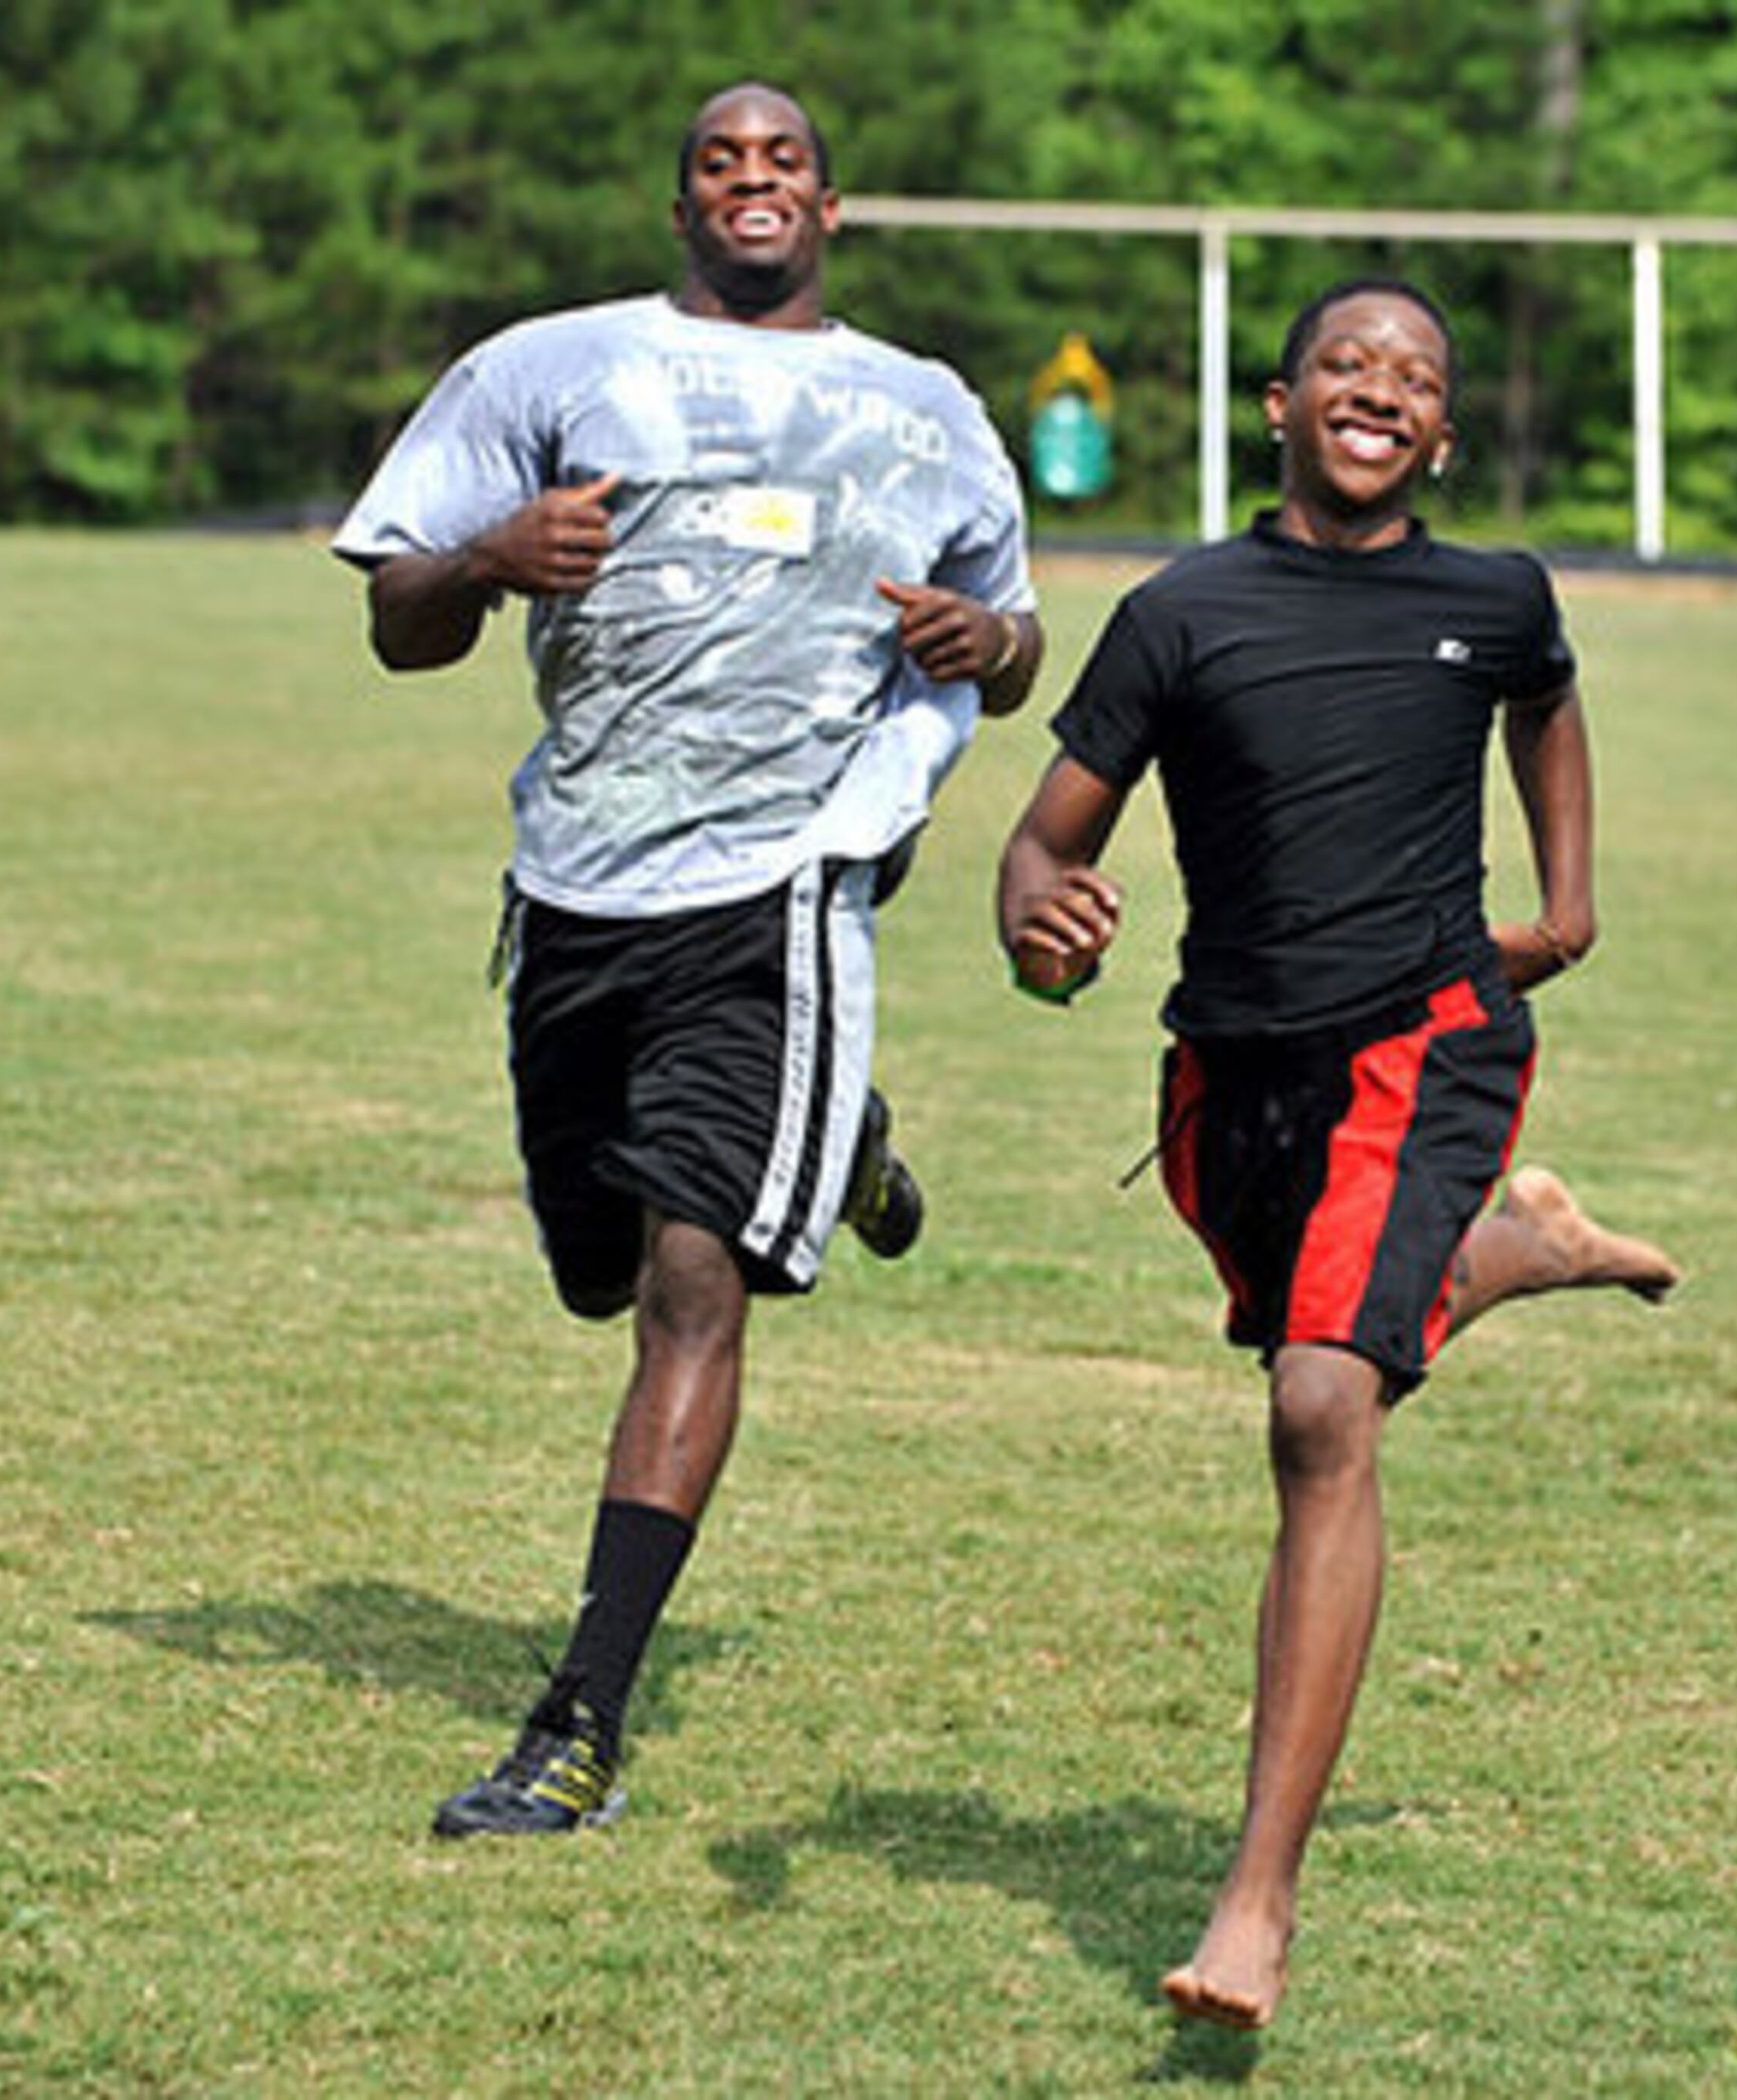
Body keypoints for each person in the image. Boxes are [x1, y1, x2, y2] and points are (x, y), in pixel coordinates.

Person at [332, 82, 1043, 1840]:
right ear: (680, 204)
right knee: (593, 1263)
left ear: (829, 202)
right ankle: (843, 1130)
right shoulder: (544, 368)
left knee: (687, 1280)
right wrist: (491, 559)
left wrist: (990, 638)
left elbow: (1012, 640)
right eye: (721, 161)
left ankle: (578, 1719)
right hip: (579, 881)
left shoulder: (925, 410)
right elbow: (395, 625)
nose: (754, 181)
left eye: (782, 160)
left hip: (789, 874)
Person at [996, 280, 1679, 2031]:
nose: (1380, 391)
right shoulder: (1177, 612)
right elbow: (1042, 838)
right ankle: (1514, 1246)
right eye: (1347, 367)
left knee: (1319, 1404)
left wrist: (1570, 902)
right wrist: (1035, 924)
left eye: (1417, 380)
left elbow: (1548, 704)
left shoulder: (1493, 597)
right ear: (1281, 404)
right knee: (1332, 1345)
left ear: (1440, 435)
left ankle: (1252, 1903)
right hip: (1232, 1073)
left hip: (1423, 1039)